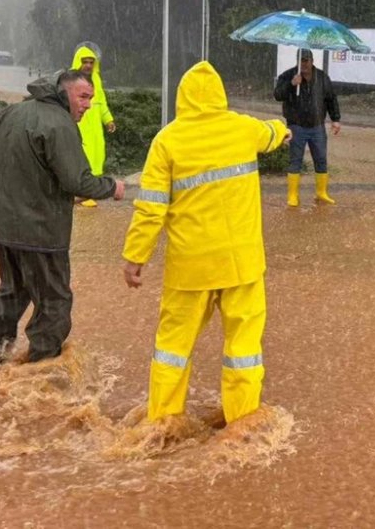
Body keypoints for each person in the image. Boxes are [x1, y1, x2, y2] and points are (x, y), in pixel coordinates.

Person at [122, 61, 291, 425]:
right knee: (243, 349)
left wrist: (135, 256)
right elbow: (272, 133)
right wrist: (283, 129)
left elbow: (150, 208)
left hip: (190, 266)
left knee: (172, 349)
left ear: (182, 98)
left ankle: (162, 424)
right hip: (241, 264)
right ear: (220, 95)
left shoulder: (167, 140)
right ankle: (243, 425)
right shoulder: (243, 128)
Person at [0, 70, 125, 365]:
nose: (88, 105)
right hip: (40, 233)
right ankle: (42, 373)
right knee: (53, 302)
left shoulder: (8, 114)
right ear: (63, 91)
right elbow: (78, 182)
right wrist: (112, 187)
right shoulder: (58, 123)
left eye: (91, 98)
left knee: (12, 291)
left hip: (0, 229)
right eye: (82, 96)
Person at [273, 49, 341, 207]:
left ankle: (321, 192)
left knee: (321, 159)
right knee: (295, 160)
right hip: (296, 126)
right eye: (300, 60)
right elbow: (277, 95)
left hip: (317, 126)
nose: (303, 64)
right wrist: (291, 84)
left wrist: (335, 119)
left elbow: (331, 99)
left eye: (306, 60)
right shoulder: (288, 75)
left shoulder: (322, 77)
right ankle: (292, 195)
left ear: (312, 60)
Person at [71, 45, 116, 207]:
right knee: (81, 157)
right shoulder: (70, 80)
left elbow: (101, 102)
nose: (88, 65)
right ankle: (81, 191)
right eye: (85, 62)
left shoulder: (96, 79)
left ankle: (92, 191)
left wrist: (108, 120)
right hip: (79, 126)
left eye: (91, 62)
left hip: (96, 128)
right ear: (79, 62)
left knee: (97, 155)